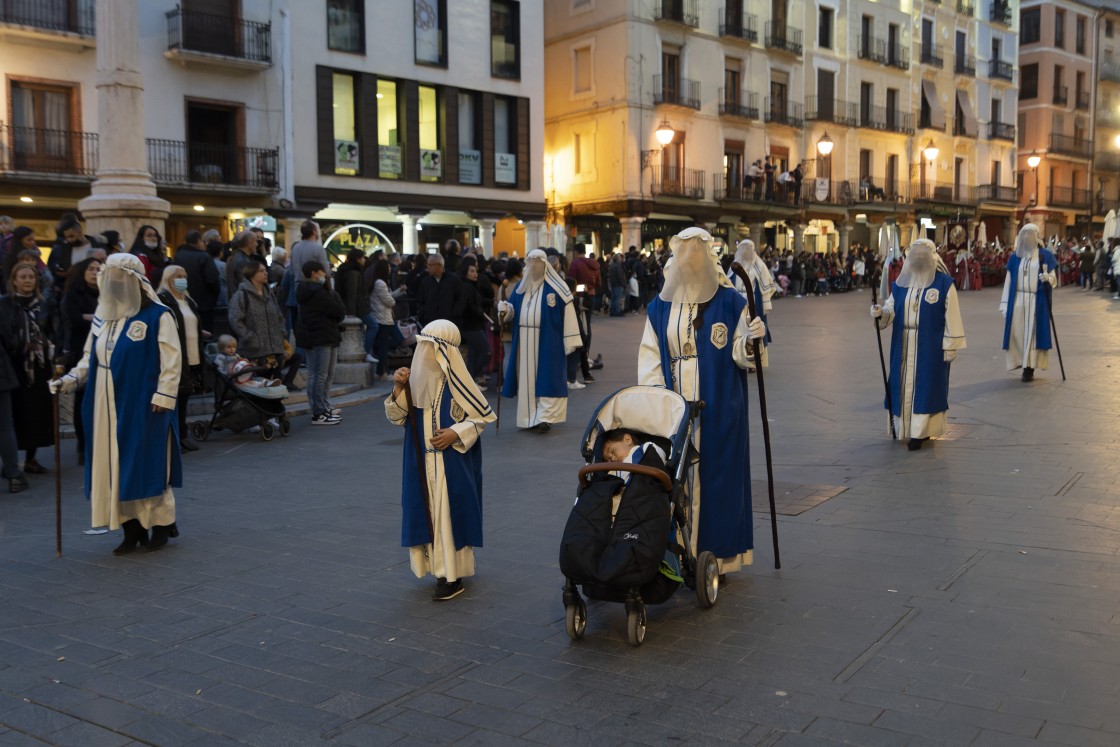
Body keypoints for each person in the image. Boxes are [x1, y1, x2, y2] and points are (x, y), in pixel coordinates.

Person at [637, 227, 766, 579]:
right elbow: (650, 360)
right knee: (673, 480)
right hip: (674, 410)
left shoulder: (731, 302)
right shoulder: (660, 307)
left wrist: (752, 340)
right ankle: (676, 555)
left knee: (718, 480)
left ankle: (717, 559)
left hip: (720, 409)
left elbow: (744, 355)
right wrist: (655, 403)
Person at [49, 253, 182, 554]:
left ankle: (161, 524)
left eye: (119, 278)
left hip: (142, 400)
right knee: (112, 464)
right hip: (103, 400)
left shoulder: (157, 315)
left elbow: (172, 361)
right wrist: (68, 381)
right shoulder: (103, 317)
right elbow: (88, 358)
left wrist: (163, 395)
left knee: (145, 462)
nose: (114, 284)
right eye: (109, 278)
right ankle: (131, 528)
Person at [384, 320, 496, 601]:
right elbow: (398, 417)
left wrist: (455, 432)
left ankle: (452, 574)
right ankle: (437, 568)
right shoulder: (415, 383)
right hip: (422, 464)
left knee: (449, 517)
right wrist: (398, 388)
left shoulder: (458, 384)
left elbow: (481, 417)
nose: (422, 353)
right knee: (428, 515)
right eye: (421, 346)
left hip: (450, 465)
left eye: (429, 347)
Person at [871, 240, 967, 451]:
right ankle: (903, 427)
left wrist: (950, 345)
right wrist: (881, 313)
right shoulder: (900, 284)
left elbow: (952, 316)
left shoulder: (943, 284)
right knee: (901, 385)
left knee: (927, 387)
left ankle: (920, 432)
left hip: (930, 346)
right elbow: (890, 310)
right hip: (903, 343)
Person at [499, 249, 581, 432]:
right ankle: (528, 418)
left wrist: (570, 340)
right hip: (524, 342)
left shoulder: (557, 288)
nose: (534, 266)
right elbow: (512, 311)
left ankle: (545, 417)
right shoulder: (522, 288)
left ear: (545, 265)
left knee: (548, 378)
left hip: (548, 341)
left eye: (538, 263)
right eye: (531, 263)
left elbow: (568, 314)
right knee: (527, 380)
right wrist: (505, 309)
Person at [2, 262, 55, 477]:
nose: (27, 281)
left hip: (40, 366)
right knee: (14, 414)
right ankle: (11, 461)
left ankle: (31, 459)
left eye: (31, 277)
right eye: (22, 277)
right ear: (14, 280)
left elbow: (52, 329)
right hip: (14, 364)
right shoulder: (5, 305)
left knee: (36, 412)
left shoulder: (44, 304)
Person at [156, 266, 206, 452]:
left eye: (184, 276)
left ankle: (182, 435)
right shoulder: (163, 300)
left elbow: (190, 323)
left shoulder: (187, 300)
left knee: (185, 395)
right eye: (178, 276)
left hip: (192, 353)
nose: (182, 279)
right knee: (176, 396)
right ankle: (174, 436)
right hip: (176, 354)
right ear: (168, 279)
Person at [1000, 224, 1058, 383]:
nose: (1027, 238)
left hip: (1035, 301)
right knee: (1017, 335)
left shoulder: (1044, 256)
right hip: (1018, 301)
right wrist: (1005, 304)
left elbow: (1053, 279)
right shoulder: (1015, 258)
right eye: (1024, 235)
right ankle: (1019, 362)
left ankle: (1029, 368)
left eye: (1030, 235)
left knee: (1032, 336)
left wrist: (1048, 279)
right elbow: (1008, 282)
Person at [59, 258, 101, 465]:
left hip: (103, 353)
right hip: (79, 353)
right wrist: (97, 318)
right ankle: (83, 446)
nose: (95, 272)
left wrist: (89, 317)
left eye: (98, 269)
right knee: (83, 402)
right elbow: (74, 319)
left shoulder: (105, 295)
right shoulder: (72, 295)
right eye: (91, 269)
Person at [296, 260, 346, 425]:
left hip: (325, 334)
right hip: (320, 336)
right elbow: (337, 310)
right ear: (314, 273)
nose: (326, 274)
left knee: (323, 374)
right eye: (323, 271)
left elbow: (338, 310)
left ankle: (324, 406)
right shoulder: (315, 291)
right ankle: (319, 411)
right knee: (320, 375)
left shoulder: (316, 290)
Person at [228, 261, 292, 386]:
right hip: (255, 352)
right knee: (260, 388)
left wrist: (281, 334)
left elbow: (279, 316)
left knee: (275, 386)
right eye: (261, 271)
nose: (266, 273)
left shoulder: (269, 294)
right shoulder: (242, 295)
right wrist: (249, 337)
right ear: (252, 274)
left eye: (265, 270)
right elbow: (235, 319)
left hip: (274, 350)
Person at [728, 239, 774, 369]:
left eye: (748, 248)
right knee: (739, 330)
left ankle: (755, 361)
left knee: (754, 330)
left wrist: (765, 305)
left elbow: (764, 287)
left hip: (752, 302)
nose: (746, 251)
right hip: (737, 301)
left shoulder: (759, 265)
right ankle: (740, 357)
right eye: (743, 248)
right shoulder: (735, 264)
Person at [171, 229, 220, 332]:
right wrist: (213, 299)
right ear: (198, 241)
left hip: (183, 300)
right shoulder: (204, 257)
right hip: (204, 304)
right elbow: (212, 280)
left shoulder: (178, 255)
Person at [368, 259, 407, 380]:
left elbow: (388, 297)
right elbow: (389, 301)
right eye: (389, 267)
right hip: (383, 318)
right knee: (383, 346)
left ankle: (382, 370)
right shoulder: (380, 283)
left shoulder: (381, 282)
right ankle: (382, 371)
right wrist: (394, 300)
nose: (390, 269)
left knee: (383, 345)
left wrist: (399, 291)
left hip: (383, 317)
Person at [566, 244, 599, 383]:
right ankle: (586, 353)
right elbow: (599, 281)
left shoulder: (576, 263)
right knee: (588, 326)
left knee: (578, 327)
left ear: (575, 251)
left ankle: (581, 355)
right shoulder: (594, 264)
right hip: (590, 296)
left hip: (578, 297)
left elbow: (570, 281)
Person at [458, 261, 492, 387]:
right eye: (471, 271)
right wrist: (480, 314)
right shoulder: (467, 287)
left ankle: (470, 381)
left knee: (473, 354)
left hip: (472, 325)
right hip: (471, 326)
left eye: (475, 271)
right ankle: (470, 378)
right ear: (465, 273)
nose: (475, 274)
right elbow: (469, 306)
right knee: (486, 352)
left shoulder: (471, 286)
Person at [416, 253, 465, 328]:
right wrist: (424, 312)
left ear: (440, 265)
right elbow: (420, 300)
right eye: (427, 265)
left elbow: (461, 299)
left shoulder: (453, 280)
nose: (428, 267)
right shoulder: (425, 281)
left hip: (450, 323)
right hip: (430, 323)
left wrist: (454, 314)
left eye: (430, 265)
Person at [213, 335, 279, 388]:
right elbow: (219, 370)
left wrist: (245, 362)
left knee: (251, 381)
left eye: (234, 347)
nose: (232, 349)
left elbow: (241, 363)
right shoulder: (220, 357)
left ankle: (266, 383)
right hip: (231, 379)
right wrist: (227, 372)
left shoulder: (236, 355)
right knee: (246, 385)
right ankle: (260, 386)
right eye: (229, 347)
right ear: (221, 348)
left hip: (241, 376)